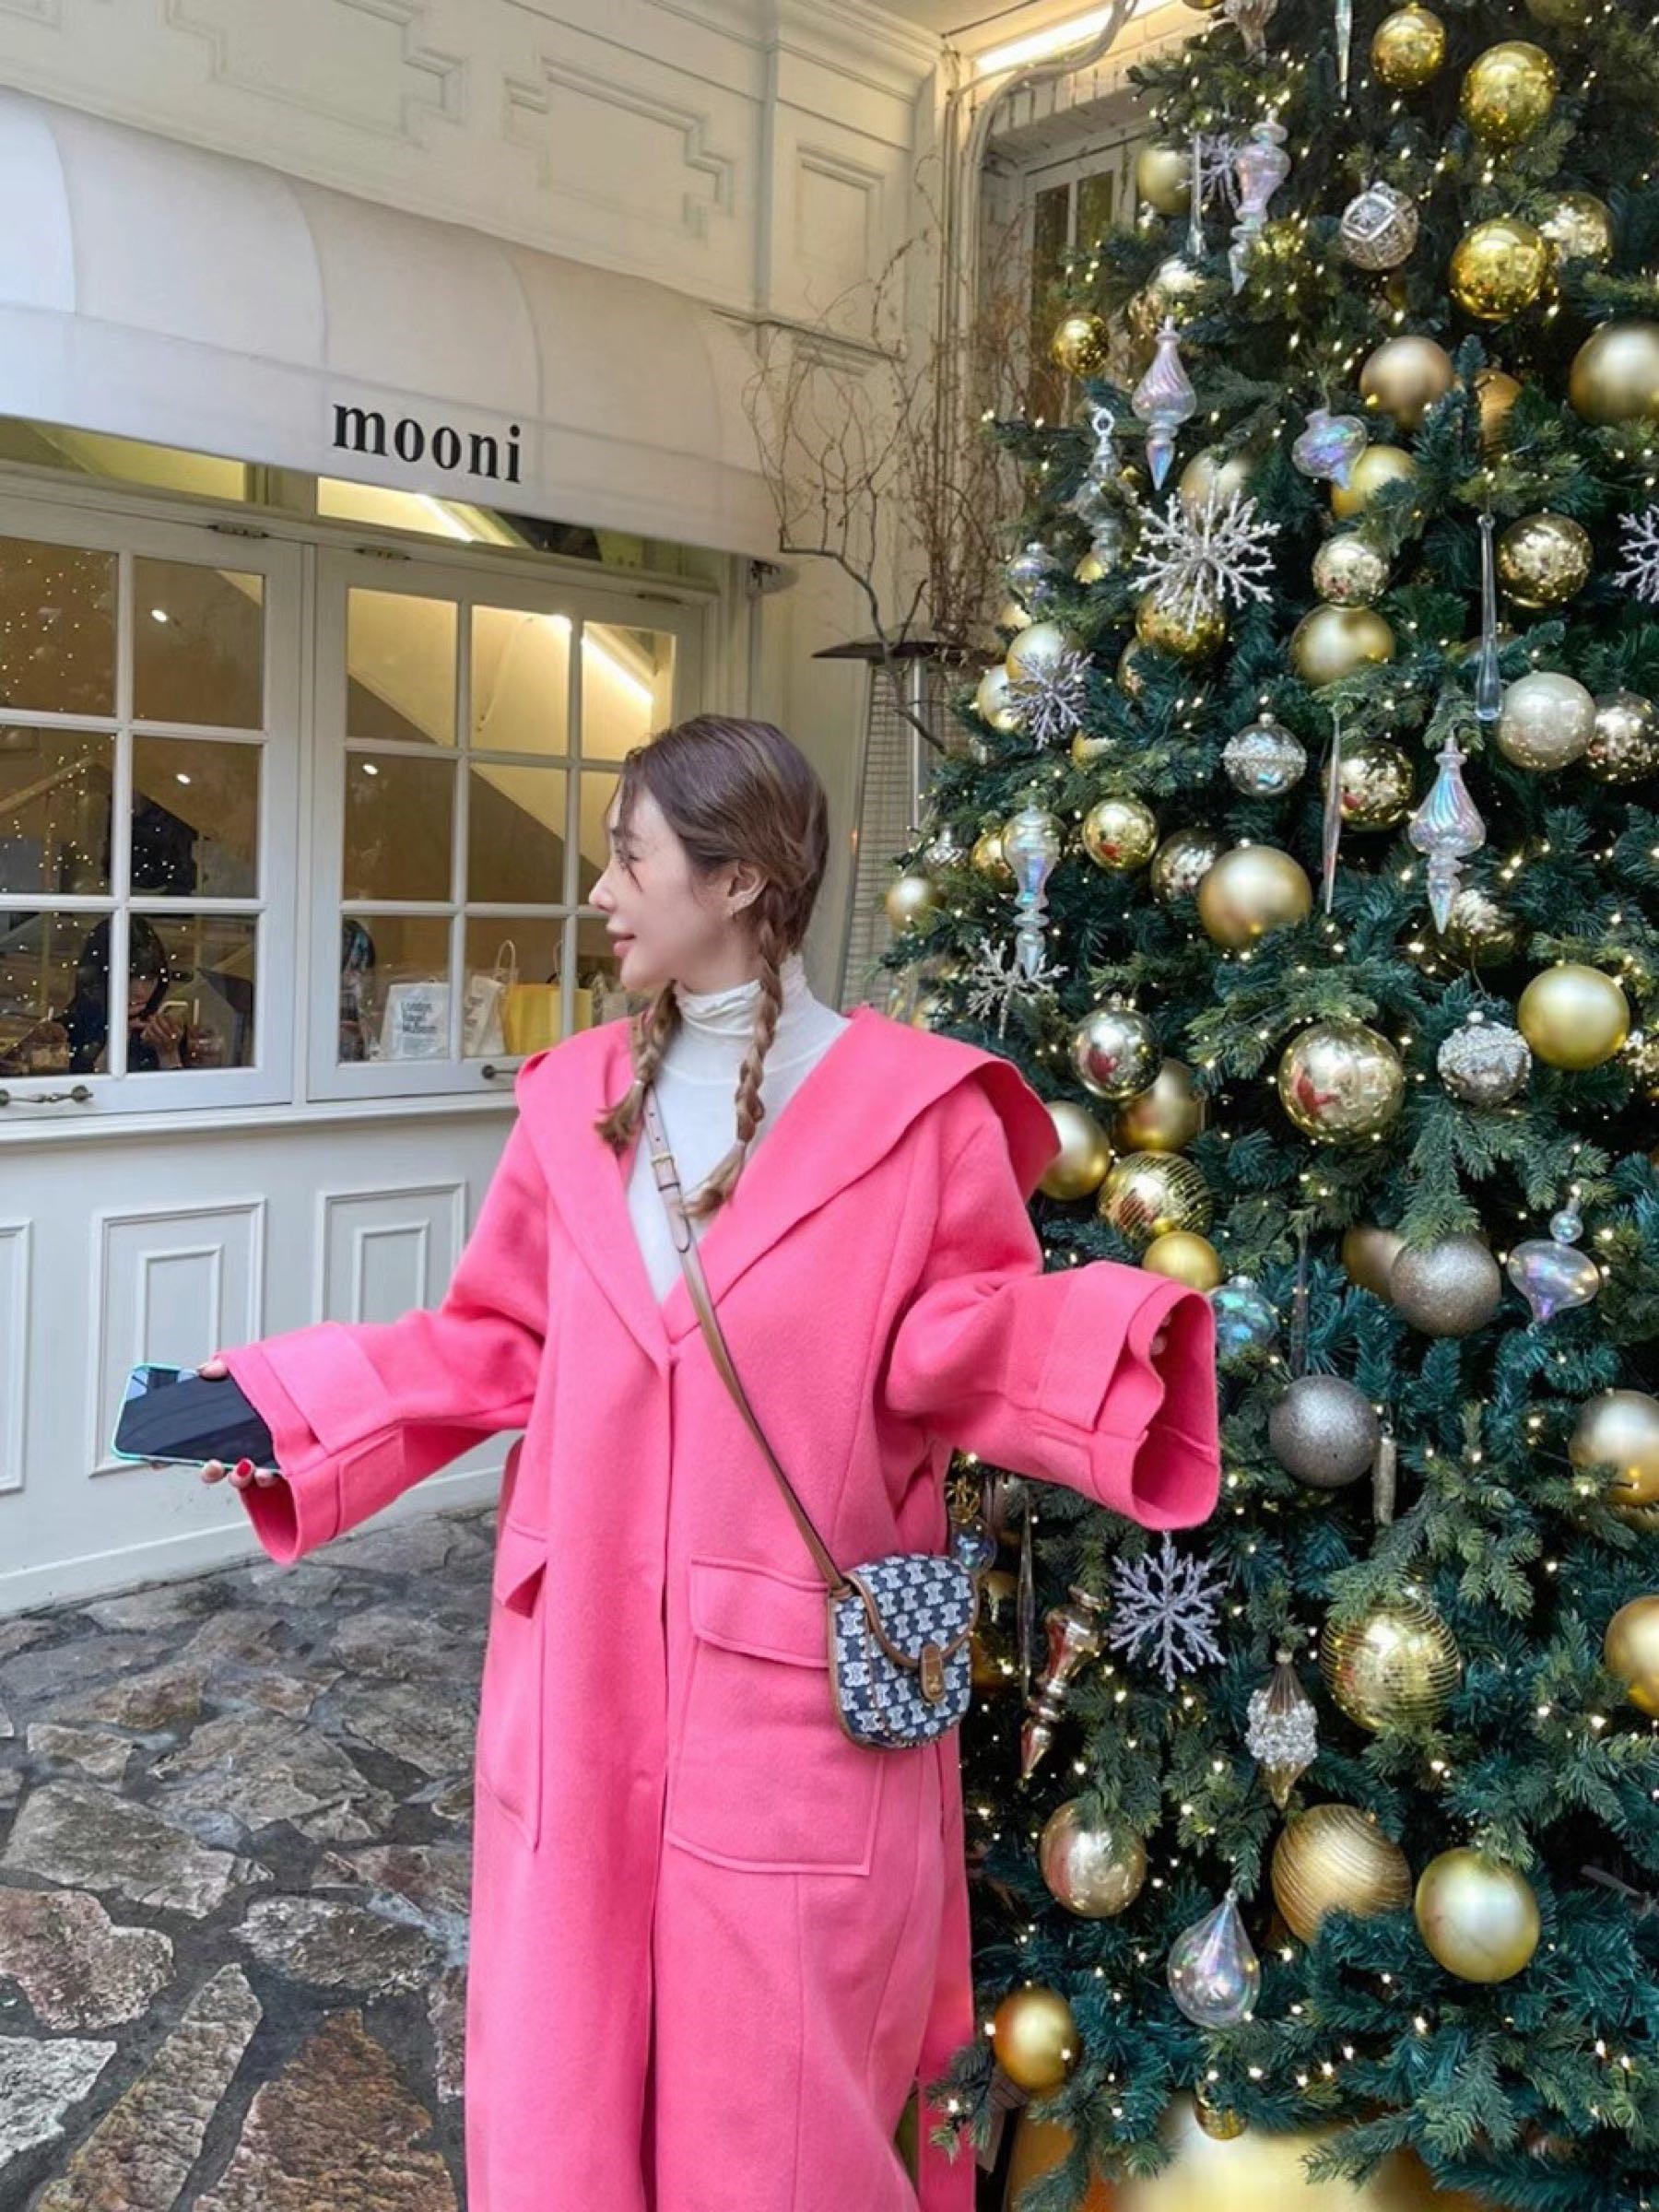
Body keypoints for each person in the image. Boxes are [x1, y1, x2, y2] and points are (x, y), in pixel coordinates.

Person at [187, 715, 1222, 2212]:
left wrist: (1120, 1358)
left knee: (778, 2133)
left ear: (737, 881)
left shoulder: (916, 1116)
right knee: (569, 2101)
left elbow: (961, 1338)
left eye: (631, 860)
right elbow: (496, 1340)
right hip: (581, 1688)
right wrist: (280, 1412)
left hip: (790, 1710)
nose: (601, 893)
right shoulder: (573, 1099)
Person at [57, 915, 189, 1073]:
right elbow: (83, 1086)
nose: (140, 992)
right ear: (100, 978)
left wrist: (168, 1055)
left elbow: (181, 1087)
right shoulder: (65, 1035)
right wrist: (116, 1040)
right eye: (128, 978)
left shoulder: (164, 1035)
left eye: (149, 979)